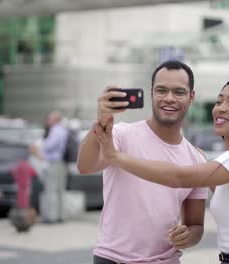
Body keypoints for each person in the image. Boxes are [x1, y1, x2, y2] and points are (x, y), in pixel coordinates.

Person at [95, 75, 229, 264]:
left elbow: (177, 177)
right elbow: (212, 187)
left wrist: (116, 157)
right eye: (219, 102)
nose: (221, 109)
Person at [77, 60, 208, 264]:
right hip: (113, 259)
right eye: (161, 90)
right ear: (151, 93)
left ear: (191, 97)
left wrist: (188, 236)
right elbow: (85, 166)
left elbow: (196, 226)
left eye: (179, 92)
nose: (169, 98)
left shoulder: (196, 160)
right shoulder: (121, 134)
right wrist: (100, 121)